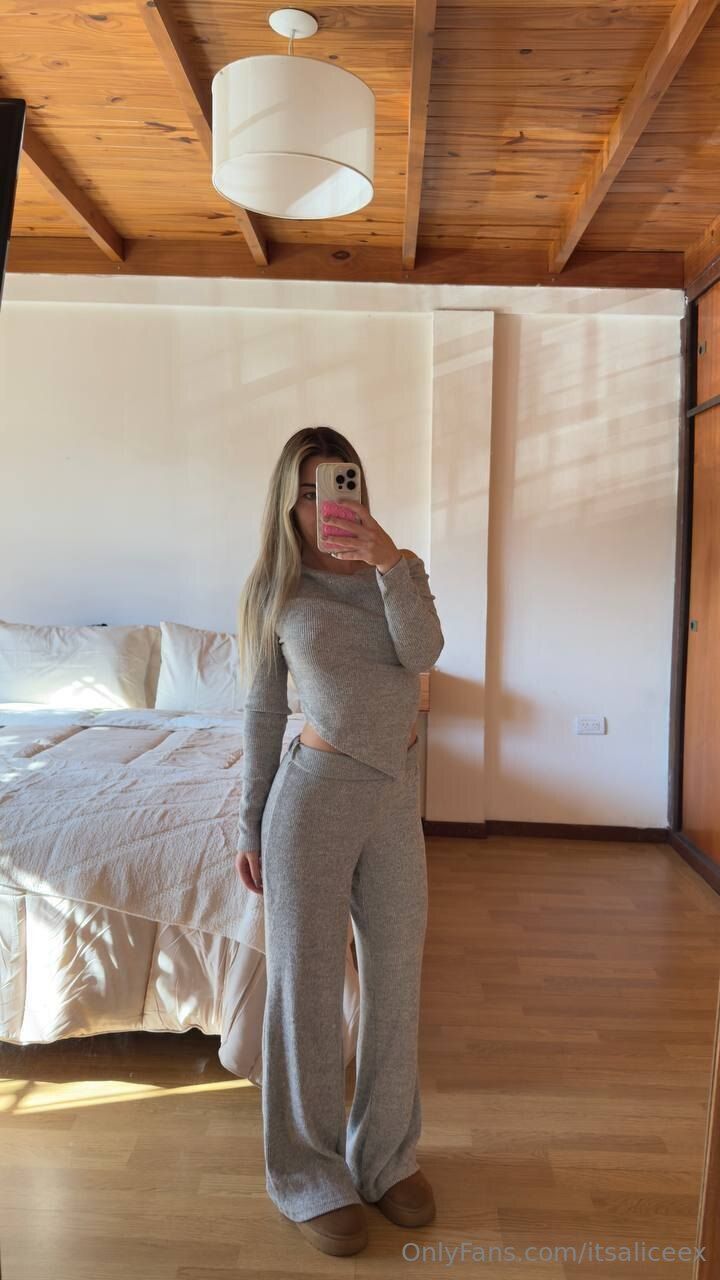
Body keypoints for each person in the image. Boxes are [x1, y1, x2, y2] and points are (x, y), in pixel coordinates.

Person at [234, 426, 445, 1257]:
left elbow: (423, 652)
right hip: (312, 803)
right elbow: (261, 713)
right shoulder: (274, 589)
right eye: (311, 491)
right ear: (290, 501)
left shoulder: (399, 572)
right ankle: (307, 1173)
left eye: (340, 484)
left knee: (395, 980)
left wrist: (390, 562)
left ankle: (386, 1158)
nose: (327, 504)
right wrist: (250, 821)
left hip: (394, 800)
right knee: (307, 990)